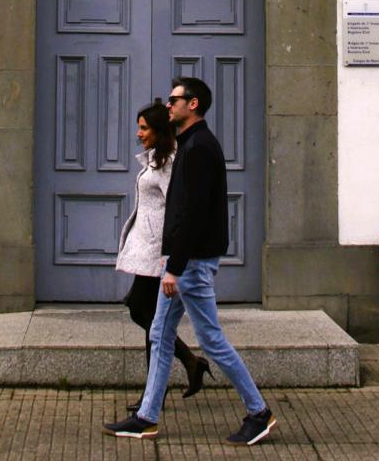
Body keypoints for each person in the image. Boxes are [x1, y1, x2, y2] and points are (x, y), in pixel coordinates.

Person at [103, 77, 277, 446]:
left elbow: (191, 214)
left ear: (192, 104)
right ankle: (146, 417)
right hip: (186, 260)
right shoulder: (190, 145)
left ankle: (259, 412)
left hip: (192, 264)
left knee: (211, 340)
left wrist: (174, 267)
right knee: (160, 334)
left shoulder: (198, 149)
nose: (168, 106)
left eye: (174, 100)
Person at [114, 101, 211, 412]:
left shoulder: (169, 163)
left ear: (158, 131)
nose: (139, 133)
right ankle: (187, 365)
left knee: (144, 313)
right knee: (147, 314)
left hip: (158, 251)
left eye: (144, 128)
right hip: (148, 248)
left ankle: (165, 383)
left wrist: (172, 254)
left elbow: (180, 208)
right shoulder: (158, 159)